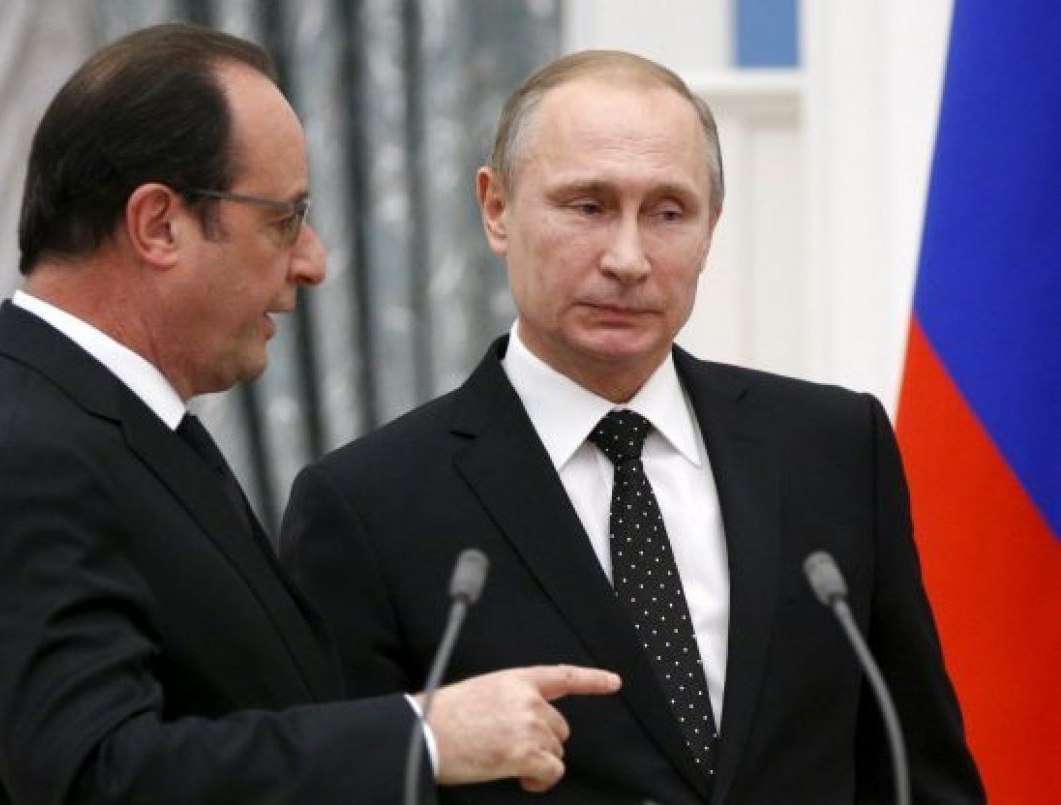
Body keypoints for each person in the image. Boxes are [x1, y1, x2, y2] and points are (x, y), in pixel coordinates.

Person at [0, 24, 622, 804]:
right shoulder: (27, 458)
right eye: (283, 220)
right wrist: (423, 736)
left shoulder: (109, 425)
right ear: (159, 225)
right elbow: (101, 775)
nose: (313, 261)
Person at [281, 50, 985, 803]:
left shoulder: (836, 447)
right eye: (588, 206)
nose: (628, 258)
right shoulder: (367, 506)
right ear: (497, 209)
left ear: (711, 229)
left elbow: (917, 767)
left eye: (668, 213)